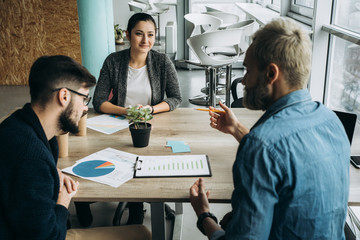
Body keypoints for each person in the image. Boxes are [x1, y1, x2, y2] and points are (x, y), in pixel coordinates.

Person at [190, 18, 350, 240]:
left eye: (247, 70)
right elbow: (286, 156)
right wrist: (237, 128)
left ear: (271, 74)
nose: (243, 81)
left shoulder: (259, 146)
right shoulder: (331, 121)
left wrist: (204, 215)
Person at [0, 55, 151, 240]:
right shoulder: (32, 158)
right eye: (84, 100)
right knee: (142, 234)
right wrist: (63, 203)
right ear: (64, 96)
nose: (85, 109)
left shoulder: (16, 125)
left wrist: (53, 173)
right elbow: (50, 237)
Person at [77, 12, 181, 227]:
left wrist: (150, 109)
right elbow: (99, 101)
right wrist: (127, 112)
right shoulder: (114, 61)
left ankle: (136, 207)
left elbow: (175, 98)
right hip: (118, 123)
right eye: (139, 34)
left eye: (151, 35)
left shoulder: (162, 62)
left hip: (152, 123)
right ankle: (84, 202)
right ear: (127, 35)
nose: (146, 40)